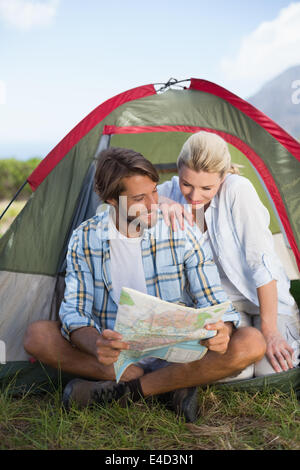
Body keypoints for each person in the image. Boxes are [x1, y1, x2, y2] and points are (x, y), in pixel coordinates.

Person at [24, 147, 266, 422]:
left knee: (251, 342)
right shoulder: (85, 238)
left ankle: (130, 391)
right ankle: (168, 387)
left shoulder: (180, 229)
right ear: (110, 200)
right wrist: (97, 345)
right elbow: (75, 312)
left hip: (177, 354)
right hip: (117, 359)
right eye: (140, 198)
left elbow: (213, 300)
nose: (155, 204)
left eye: (154, 191)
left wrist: (223, 328)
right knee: (37, 336)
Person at [158, 131, 300, 379]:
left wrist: (270, 331)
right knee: (237, 372)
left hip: (264, 300)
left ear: (223, 178)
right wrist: (159, 201)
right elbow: (124, 201)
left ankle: (284, 325)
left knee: (275, 370)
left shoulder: (238, 190)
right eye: (186, 184)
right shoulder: (170, 191)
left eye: (206, 188)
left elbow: (261, 264)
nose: (194, 196)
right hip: (224, 306)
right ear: (178, 171)